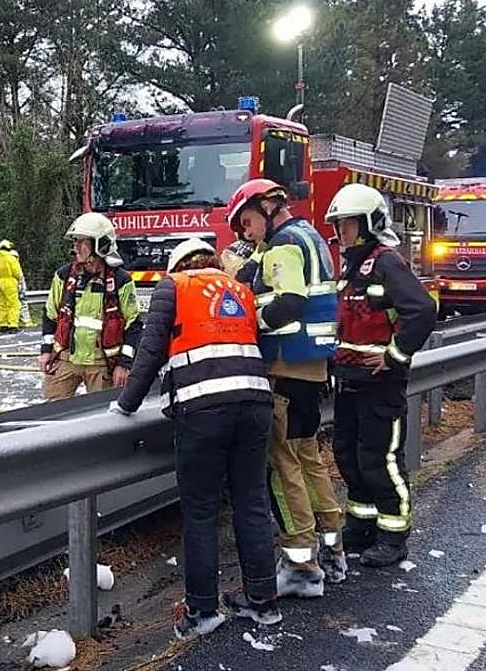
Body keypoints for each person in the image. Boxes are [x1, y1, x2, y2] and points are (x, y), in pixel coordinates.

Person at [111, 238, 280, 638]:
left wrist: (126, 405)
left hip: (203, 409)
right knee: (252, 502)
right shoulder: (238, 288)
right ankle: (263, 603)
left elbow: (150, 352)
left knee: (202, 511)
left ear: (178, 264)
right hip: (256, 403)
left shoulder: (174, 286)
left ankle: (202, 612)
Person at [225, 178, 347, 597]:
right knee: (309, 457)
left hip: (285, 365)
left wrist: (246, 324)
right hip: (310, 366)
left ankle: (301, 564)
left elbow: (289, 301)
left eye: (248, 222)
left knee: (284, 462)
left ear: (266, 209)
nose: (246, 232)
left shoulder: (282, 246)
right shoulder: (310, 237)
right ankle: (333, 550)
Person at [324, 183, 437, 567]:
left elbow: (421, 310)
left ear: (370, 223)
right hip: (350, 380)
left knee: (379, 459)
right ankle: (362, 526)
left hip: (380, 384)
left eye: (348, 224)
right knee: (348, 455)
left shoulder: (386, 262)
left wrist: (395, 355)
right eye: (338, 225)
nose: (341, 232)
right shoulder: (351, 267)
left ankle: (393, 535)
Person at [38, 213, 140, 400]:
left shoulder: (120, 280)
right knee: (50, 411)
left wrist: (124, 364)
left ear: (100, 245)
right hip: (65, 358)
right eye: (75, 241)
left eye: (81, 241)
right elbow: (50, 315)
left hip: (102, 363)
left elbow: (133, 325)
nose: (75, 247)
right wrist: (46, 351)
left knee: (102, 416)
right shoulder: (64, 276)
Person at [0, 240, 25, 333]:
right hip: (10, 281)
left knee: (2, 304)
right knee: (13, 304)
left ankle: (3, 325)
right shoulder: (10, 257)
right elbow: (17, 272)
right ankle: (13, 325)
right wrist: (18, 280)